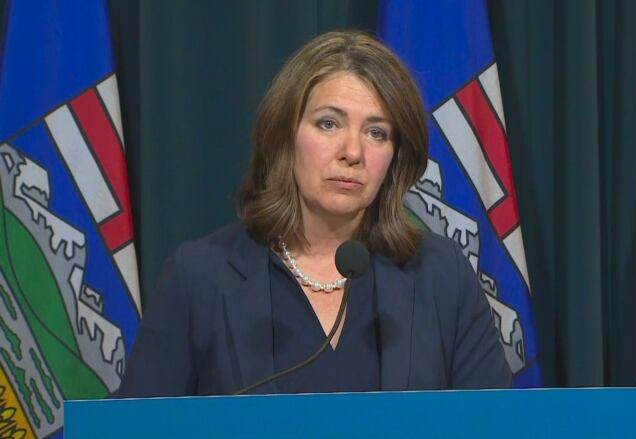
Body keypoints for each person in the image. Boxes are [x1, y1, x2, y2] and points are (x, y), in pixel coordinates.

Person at [117, 30, 511, 397]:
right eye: (328, 124)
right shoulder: (200, 278)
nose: (352, 152)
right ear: (286, 136)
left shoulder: (442, 276)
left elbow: (494, 426)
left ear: (395, 156)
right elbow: (133, 429)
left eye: (377, 132)